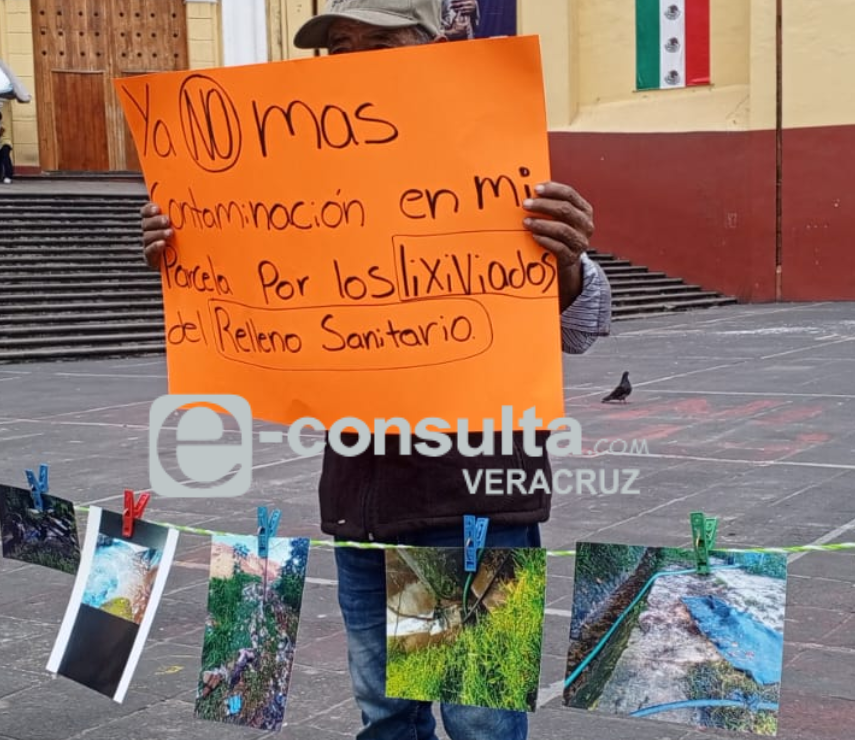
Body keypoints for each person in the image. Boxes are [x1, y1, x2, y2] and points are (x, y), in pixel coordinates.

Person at [140, 2, 610, 738]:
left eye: (379, 43)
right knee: (386, 719)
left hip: (475, 509)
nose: (354, 61)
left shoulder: (493, 155)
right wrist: (187, 248)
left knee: (482, 726)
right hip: (359, 508)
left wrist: (570, 262)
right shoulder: (295, 174)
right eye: (340, 46)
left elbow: (581, 329)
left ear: (437, 45)